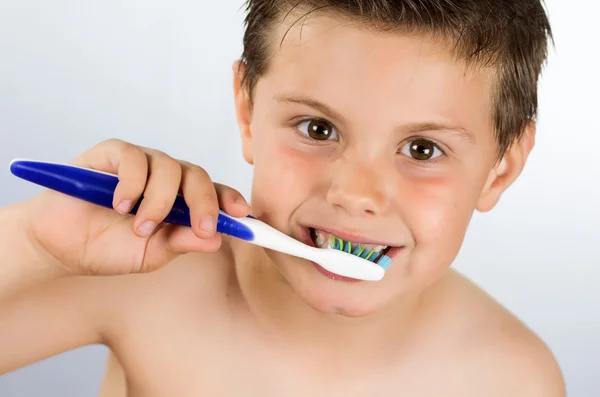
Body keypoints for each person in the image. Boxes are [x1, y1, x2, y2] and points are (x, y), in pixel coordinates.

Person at [0, 1, 566, 395]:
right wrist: (31, 244)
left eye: (422, 150)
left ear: (500, 170)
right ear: (247, 112)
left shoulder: (512, 379)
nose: (355, 194)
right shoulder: (152, 279)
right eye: (317, 129)